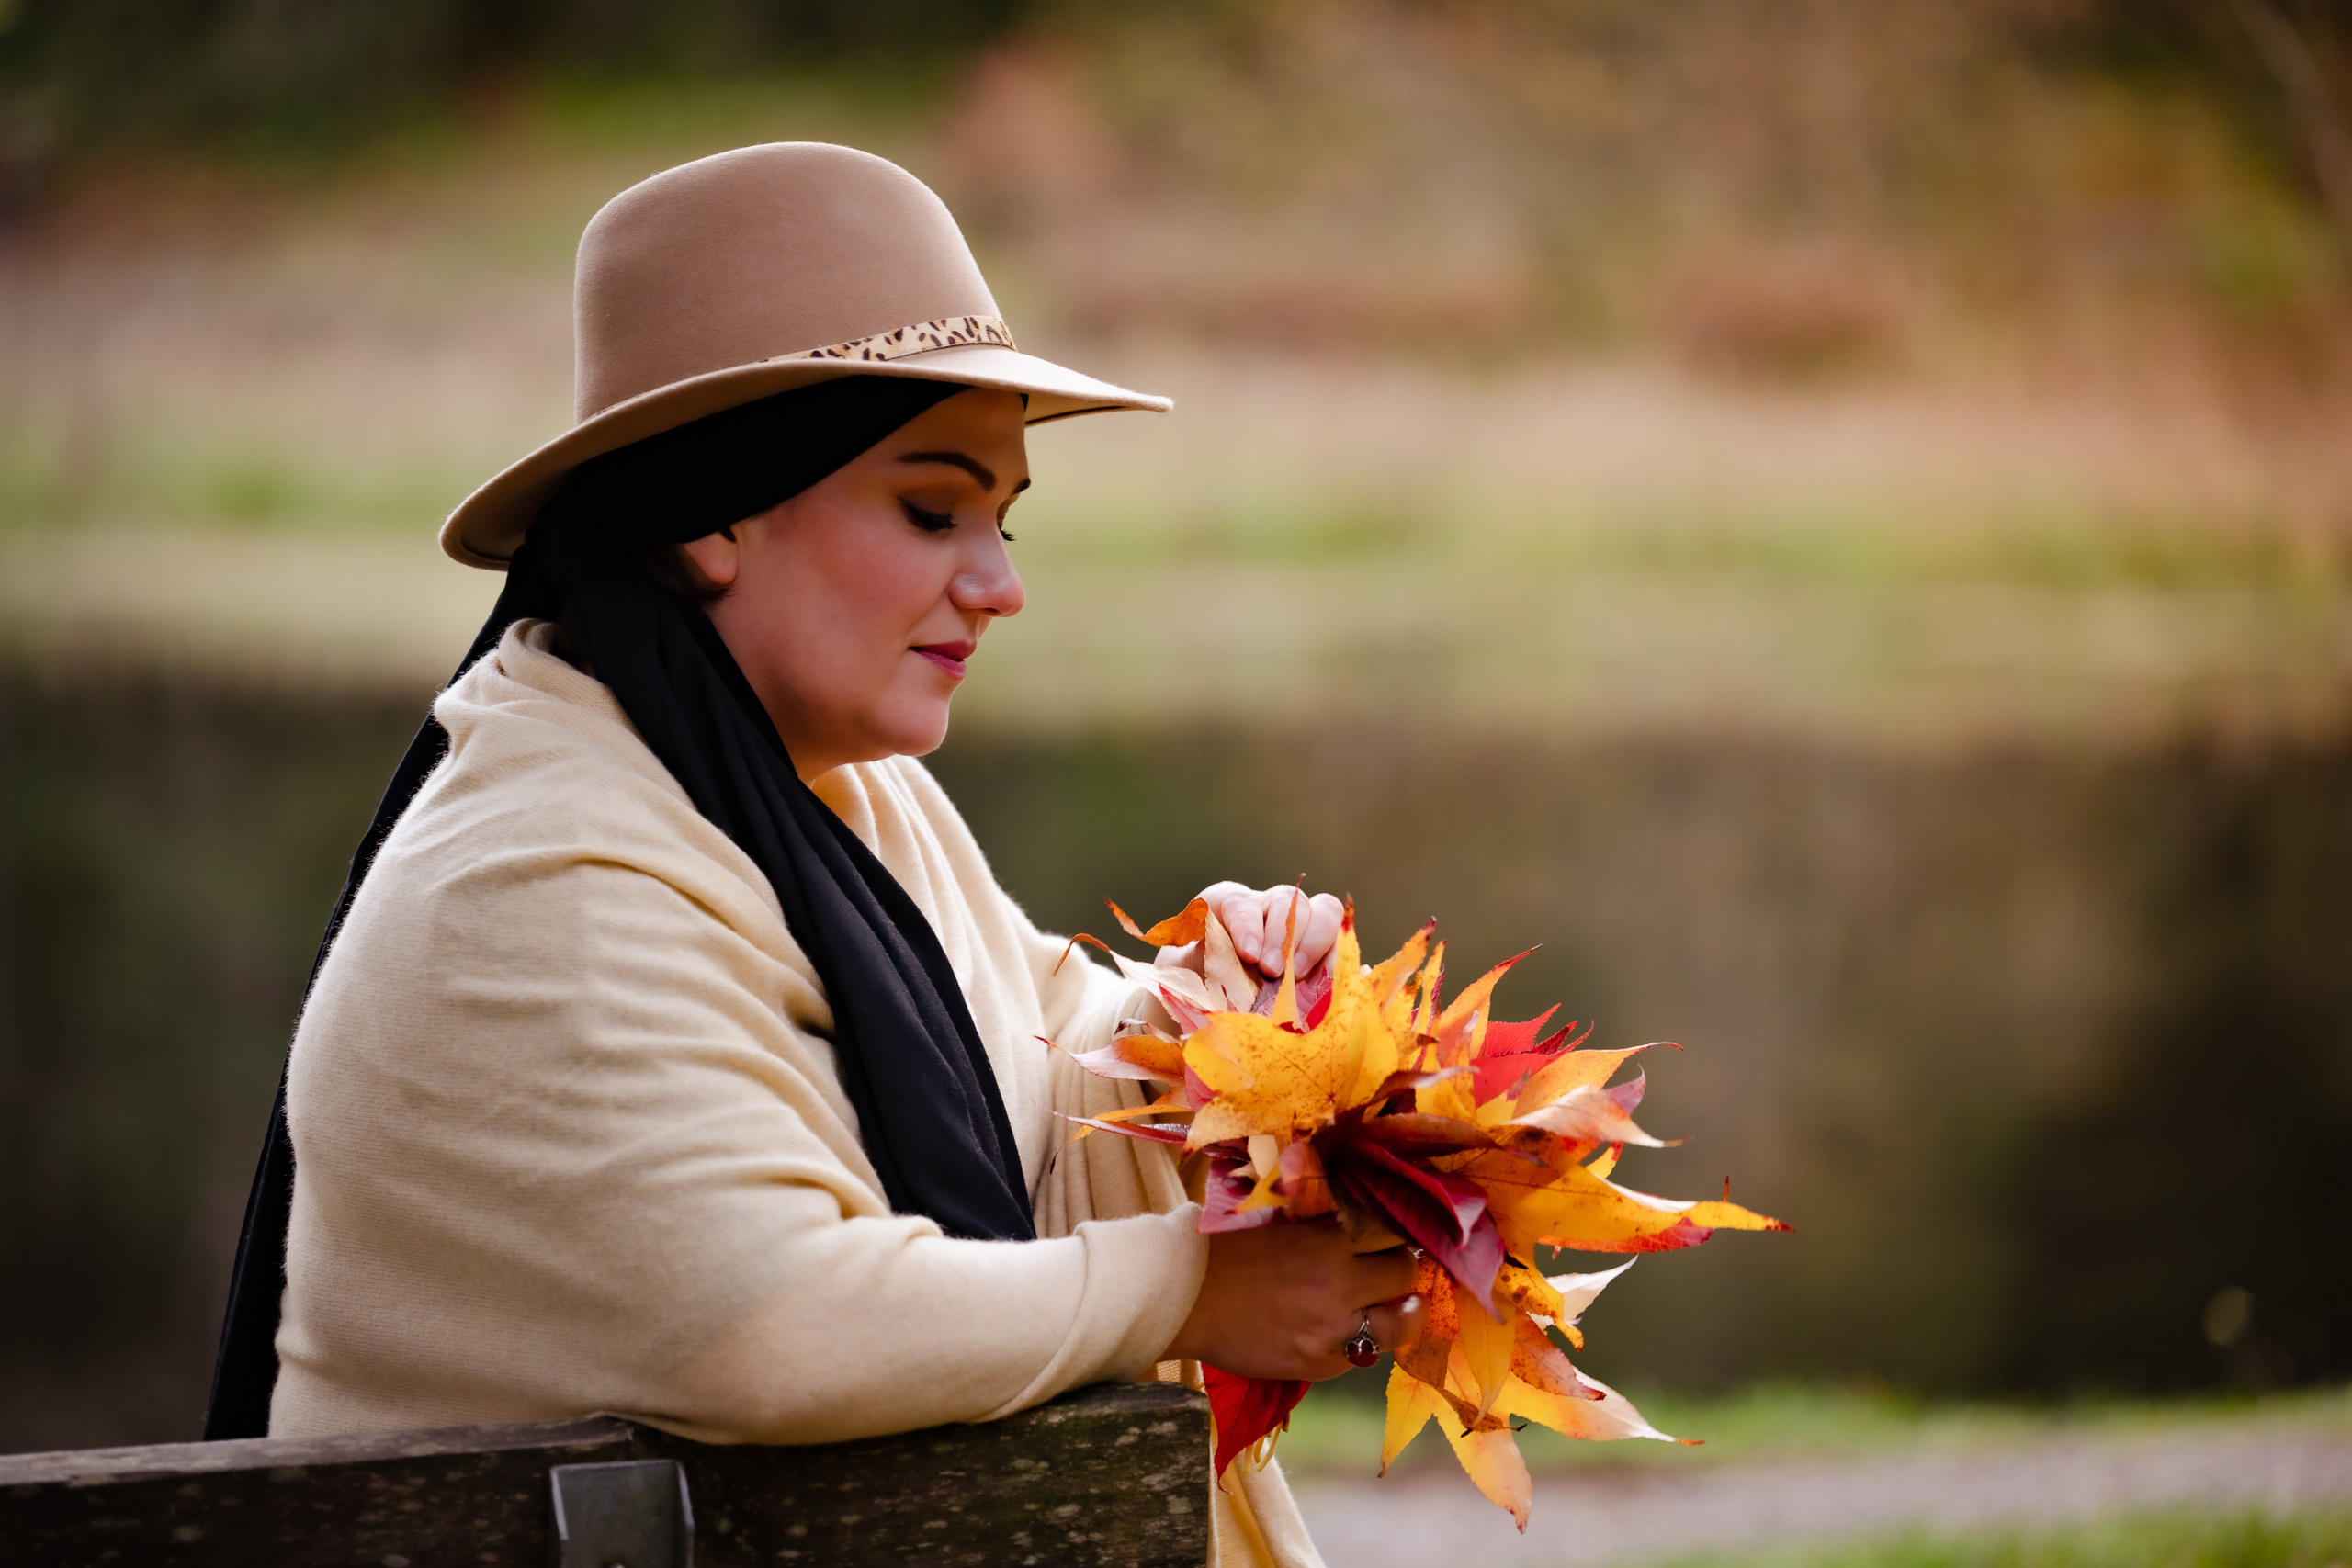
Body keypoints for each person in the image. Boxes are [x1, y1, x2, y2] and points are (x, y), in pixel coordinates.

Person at [202, 142, 1422, 1566]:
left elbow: (1036, 1048)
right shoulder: (533, 877)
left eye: (1004, 520)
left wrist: (1208, 1029)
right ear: (714, 515)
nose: (1003, 584)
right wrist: (1187, 1289)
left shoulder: (827, 791)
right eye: (932, 509)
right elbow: (766, 1323)